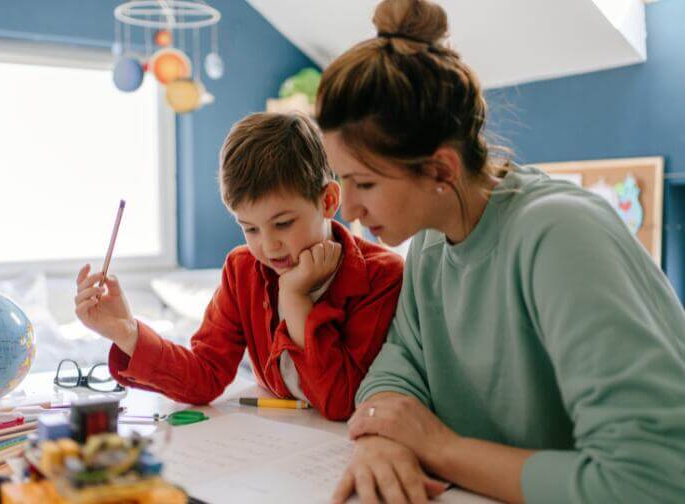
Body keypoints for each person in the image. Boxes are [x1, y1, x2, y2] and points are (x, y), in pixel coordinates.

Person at [315, 0, 685, 502]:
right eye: (342, 179)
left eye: (364, 183)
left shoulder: (559, 235)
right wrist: (382, 438)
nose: (349, 208)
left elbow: (650, 481)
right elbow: (399, 360)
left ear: (441, 171)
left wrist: (441, 449)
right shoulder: (429, 240)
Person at [74, 112, 404, 421]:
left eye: (284, 223)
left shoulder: (381, 276)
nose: (269, 245)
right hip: (275, 443)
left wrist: (296, 299)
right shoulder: (243, 269)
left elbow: (340, 402)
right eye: (250, 229)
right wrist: (127, 332)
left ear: (328, 201)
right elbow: (205, 375)